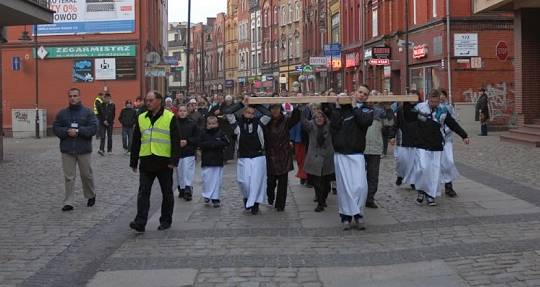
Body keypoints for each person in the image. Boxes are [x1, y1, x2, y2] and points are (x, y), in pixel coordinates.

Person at [129, 91, 181, 232]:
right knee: (143, 193)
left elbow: (176, 141)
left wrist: (174, 160)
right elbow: (136, 141)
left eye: (151, 100)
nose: (148, 103)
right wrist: (133, 161)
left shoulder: (169, 117)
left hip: (164, 162)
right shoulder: (141, 118)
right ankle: (140, 222)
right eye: (147, 100)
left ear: (159, 101)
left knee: (167, 193)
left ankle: (165, 220)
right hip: (146, 161)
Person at [412, 89, 470, 206]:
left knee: (434, 171)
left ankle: (431, 195)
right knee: (423, 168)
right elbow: (410, 121)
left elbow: (452, 124)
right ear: (428, 99)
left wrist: (464, 135)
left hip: (437, 144)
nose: (434, 104)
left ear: (439, 100)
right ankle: (421, 191)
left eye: (436, 102)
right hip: (421, 144)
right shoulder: (419, 108)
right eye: (432, 101)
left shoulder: (443, 110)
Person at [328, 91, 373, 230]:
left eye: (365, 94)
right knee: (344, 188)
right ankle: (346, 217)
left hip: (357, 152)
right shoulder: (339, 110)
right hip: (341, 153)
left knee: (360, 187)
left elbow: (365, 121)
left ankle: (358, 213)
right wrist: (336, 107)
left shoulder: (367, 110)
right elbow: (334, 126)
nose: (361, 95)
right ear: (354, 93)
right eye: (359, 92)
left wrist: (355, 107)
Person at [53, 88, 98, 211]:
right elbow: (56, 128)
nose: (72, 98)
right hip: (67, 150)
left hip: (83, 149)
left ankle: (91, 195)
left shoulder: (88, 112)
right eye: (70, 96)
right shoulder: (62, 113)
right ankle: (68, 202)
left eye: (75, 95)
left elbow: (93, 128)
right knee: (69, 177)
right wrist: (66, 131)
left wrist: (78, 131)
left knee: (86, 175)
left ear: (79, 97)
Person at [224, 97, 271, 215]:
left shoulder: (259, 122)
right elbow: (228, 112)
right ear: (243, 112)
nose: (250, 115)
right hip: (244, 157)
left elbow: (268, 114)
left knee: (256, 181)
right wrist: (241, 104)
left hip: (258, 156)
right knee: (244, 181)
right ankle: (247, 197)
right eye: (247, 112)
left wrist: (255, 104)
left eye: (252, 113)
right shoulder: (237, 124)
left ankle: (255, 203)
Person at [261, 102, 300, 211]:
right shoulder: (266, 122)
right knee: (270, 181)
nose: (275, 110)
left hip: (283, 155)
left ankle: (280, 204)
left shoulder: (286, 120)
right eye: (273, 108)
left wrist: (295, 102)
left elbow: (296, 117)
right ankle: (270, 196)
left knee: (283, 183)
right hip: (271, 154)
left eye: (277, 108)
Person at [301, 104, 335, 212]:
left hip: (327, 158)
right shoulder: (311, 126)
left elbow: (333, 116)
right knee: (317, 183)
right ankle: (320, 203)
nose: (319, 119)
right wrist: (301, 109)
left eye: (321, 117)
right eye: (316, 117)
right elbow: (303, 121)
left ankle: (323, 199)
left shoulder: (329, 125)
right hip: (315, 158)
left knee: (326, 184)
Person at [361, 86, 386, 209]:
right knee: (360, 175)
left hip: (375, 148)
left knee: (373, 175)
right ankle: (360, 196)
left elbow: (390, 123)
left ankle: (370, 198)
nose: (370, 101)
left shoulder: (380, 112)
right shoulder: (359, 111)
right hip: (361, 148)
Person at [392, 91, 420, 188]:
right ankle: (400, 175)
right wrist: (392, 136)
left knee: (413, 162)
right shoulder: (401, 109)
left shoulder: (420, 109)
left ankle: (413, 181)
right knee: (402, 160)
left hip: (416, 139)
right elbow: (396, 123)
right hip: (403, 138)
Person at [199, 116, 229, 207]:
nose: (212, 126)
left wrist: (216, 144)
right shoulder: (203, 133)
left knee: (217, 180)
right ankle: (207, 195)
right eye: (210, 124)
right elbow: (200, 144)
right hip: (207, 160)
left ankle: (216, 198)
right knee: (207, 179)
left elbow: (226, 142)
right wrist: (210, 144)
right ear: (207, 124)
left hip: (217, 160)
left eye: (214, 124)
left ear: (217, 124)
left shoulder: (221, 133)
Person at [176, 104, 200, 201]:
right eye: (180, 111)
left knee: (187, 170)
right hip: (177, 151)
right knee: (179, 171)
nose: (182, 112)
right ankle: (181, 188)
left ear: (187, 112)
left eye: (184, 111)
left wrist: (187, 141)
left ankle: (188, 188)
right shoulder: (174, 123)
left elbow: (197, 137)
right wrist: (178, 141)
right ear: (178, 112)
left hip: (189, 150)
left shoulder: (192, 123)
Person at [439, 90, 460, 197]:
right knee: (436, 164)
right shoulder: (434, 107)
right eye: (440, 95)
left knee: (449, 162)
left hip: (447, 139)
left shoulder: (449, 107)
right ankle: (431, 187)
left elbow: (454, 121)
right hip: (435, 140)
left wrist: (444, 131)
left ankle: (449, 186)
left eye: (443, 95)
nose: (441, 97)